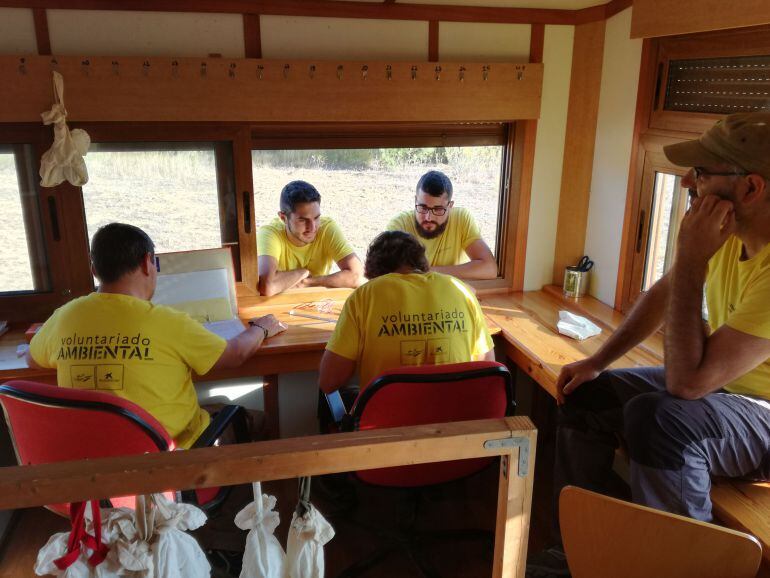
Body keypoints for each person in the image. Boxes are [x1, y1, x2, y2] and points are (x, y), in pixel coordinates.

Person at [527, 112, 770, 577]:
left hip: (761, 411)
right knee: (585, 393)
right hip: (723, 391)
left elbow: (688, 384)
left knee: (659, 419)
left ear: (751, 188)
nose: (686, 183)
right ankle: (577, 548)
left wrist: (693, 256)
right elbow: (663, 296)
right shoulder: (730, 236)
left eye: (701, 173)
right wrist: (597, 361)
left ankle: (681, 566)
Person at [27, 222, 287, 449]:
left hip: (97, 464)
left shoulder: (65, 316)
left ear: (95, 270)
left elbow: (33, 359)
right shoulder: (166, 321)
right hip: (168, 461)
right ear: (147, 263)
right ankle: (242, 501)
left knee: (215, 403)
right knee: (259, 419)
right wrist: (261, 328)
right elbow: (236, 354)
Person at [319, 230, 495, 397]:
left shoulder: (364, 297)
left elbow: (329, 381)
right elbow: (488, 369)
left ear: (374, 273)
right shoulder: (462, 292)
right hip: (458, 419)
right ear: (422, 263)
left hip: (387, 423)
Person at [257, 180, 364, 296]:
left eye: (316, 218)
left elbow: (357, 276)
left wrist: (307, 282)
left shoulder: (326, 228)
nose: (312, 228)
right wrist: (302, 272)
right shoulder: (269, 234)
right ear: (283, 218)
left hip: (317, 303)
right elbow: (266, 287)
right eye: (303, 220)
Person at [387, 170, 497, 280]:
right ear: (415, 200)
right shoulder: (398, 226)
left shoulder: (461, 219)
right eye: (423, 207)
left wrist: (427, 272)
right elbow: (386, 275)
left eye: (438, 209)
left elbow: (490, 269)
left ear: (450, 206)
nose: (428, 217)